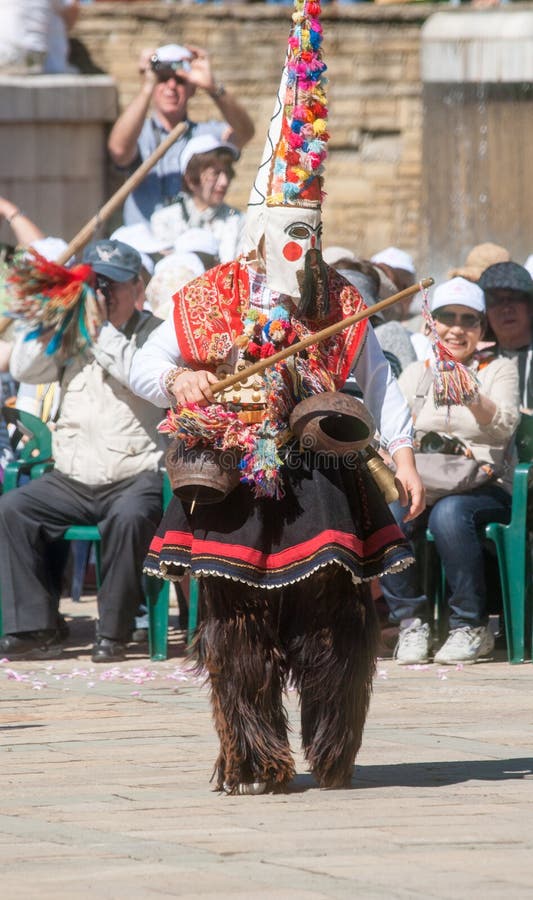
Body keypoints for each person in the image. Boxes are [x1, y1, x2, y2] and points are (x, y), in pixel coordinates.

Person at [130, 0, 424, 795]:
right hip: (230, 482)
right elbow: (146, 364)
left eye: (309, 236)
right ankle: (253, 754)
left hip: (321, 479)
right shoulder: (205, 297)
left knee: (337, 622)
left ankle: (333, 748)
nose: (298, 251)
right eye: (286, 236)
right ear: (257, 234)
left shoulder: (333, 298)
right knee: (234, 629)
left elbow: (376, 380)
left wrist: (399, 453)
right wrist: (183, 378)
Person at [0, 239, 165, 662]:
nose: (102, 294)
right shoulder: (75, 330)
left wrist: (100, 329)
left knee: (129, 519)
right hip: (72, 477)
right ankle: (34, 626)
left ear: (137, 287)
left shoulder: (155, 335)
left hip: (134, 475)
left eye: (111, 285)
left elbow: (138, 375)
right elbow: (23, 369)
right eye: (95, 284)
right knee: (12, 510)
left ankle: (114, 633)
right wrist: (55, 318)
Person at [380, 276, 520, 666]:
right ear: (431, 324)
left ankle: (469, 626)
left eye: (468, 320)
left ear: (481, 328)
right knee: (391, 510)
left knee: (451, 515)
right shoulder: (417, 373)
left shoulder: (498, 369)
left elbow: (505, 424)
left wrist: (472, 396)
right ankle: (410, 622)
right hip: (427, 480)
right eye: (447, 318)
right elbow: (390, 428)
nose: (457, 328)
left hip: (485, 483)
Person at [107, 43, 255, 227]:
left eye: (179, 80)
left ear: (192, 88)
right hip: (143, 244)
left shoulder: (206, 136)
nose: (171, 86)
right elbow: (118, 150)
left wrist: (213, 87)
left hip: (192, 244)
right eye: (163, 78)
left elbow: (245, 133)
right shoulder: (139, 132)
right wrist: (147, 86)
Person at [150, 134, 245, 262]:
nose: (224, 182)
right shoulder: (164, 221)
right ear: (190, 178)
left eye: (227, 173)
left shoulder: (238, 221)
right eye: (215, 174)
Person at [478, 262, 533, 411]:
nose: (506, 308)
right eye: (494, 300)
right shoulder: (476, 364)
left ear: (530, 305)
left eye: (515, 297)